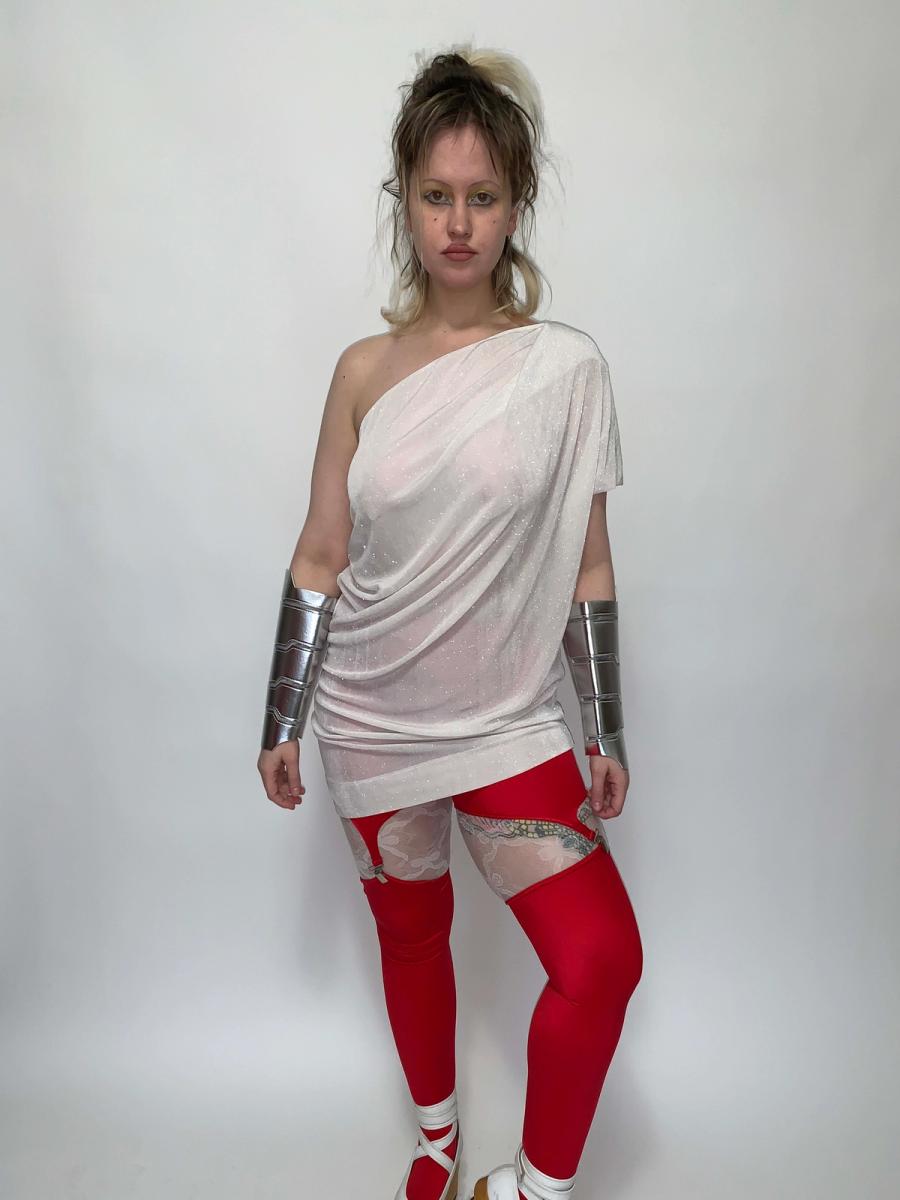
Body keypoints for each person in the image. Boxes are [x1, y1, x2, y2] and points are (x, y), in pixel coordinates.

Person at [256, 43, 643, 1200]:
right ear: (406, 202)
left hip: (507, 720)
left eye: (482, 196)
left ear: (515, 205)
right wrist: (282, 717)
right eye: (436, 195)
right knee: (412, 939)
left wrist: (605, 728)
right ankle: (436, 1147)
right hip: (371, 716)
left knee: (601, 962)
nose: (459, 223)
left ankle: (531, 1189)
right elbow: (321, 551)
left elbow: (588, 565)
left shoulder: (564, 371)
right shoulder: (363, 372)